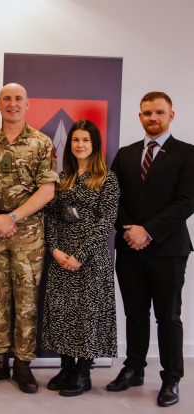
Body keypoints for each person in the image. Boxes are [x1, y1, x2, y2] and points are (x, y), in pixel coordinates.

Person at [108, 92, 194, 407]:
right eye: (147, 113)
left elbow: (186, 202)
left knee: (168, 317)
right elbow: (112, 198)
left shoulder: (188, 154)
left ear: (171, 115)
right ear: (140, 116)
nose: (152, 118)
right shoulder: (126, 154)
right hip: (130, 247)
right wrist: (130, 230)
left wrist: (149, 231)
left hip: (168, 250)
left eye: (159, 112)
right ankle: (134, 369)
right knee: (135, 313)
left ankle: (171, 379)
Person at [0, 83, 58, 393]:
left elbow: (47, 190)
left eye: (18, 99)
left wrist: (12, 218)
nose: (12, 104)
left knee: (26, 302)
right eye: (6, 99)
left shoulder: (41, 142)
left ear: (27, 104)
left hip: (29, 236)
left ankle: (23, 363)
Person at [42, 119, 119, 397]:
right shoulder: (62, 178)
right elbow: (50, 217)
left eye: (86, 140)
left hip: (91, 259)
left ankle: (84, 373)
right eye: (76, 139)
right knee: (62, 312)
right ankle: (67, 368)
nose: (80, 144)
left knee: (87, 314)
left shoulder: (107, 179)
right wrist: (54, 249)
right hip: (61, 257)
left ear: (94, 144)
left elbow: (106, 221)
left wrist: (80, 255)